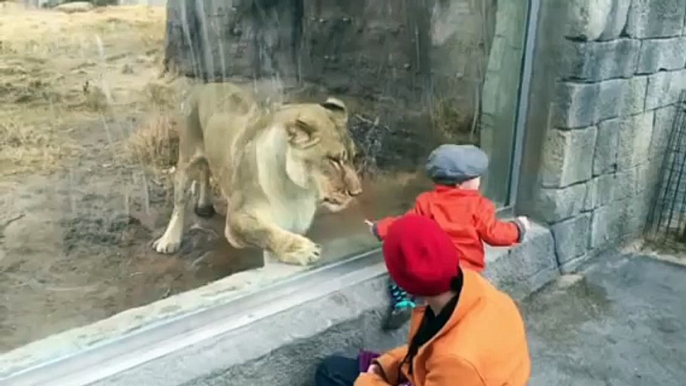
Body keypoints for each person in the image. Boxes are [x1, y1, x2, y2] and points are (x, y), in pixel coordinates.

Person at [315, 215, 531, 386]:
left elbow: (447, 360)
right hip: (448, 376)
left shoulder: (457, 359)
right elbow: (425, 353)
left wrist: (370, 381)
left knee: (331, 375)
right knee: (334, 368)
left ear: (404, 283)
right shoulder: (474, 290)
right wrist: (384, 366)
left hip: (455, 375)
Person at [367, 144, 530, 329]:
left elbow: (406, 225)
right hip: (467, 273)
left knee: (399, 273)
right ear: (460, 183)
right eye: (476, 177)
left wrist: (380, 228)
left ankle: (403, 303)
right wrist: (518, 228)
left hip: (433, 270)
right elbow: (494, 234)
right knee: (469, 306)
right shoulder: (479, 205)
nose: (479, 181)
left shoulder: (426, 202)